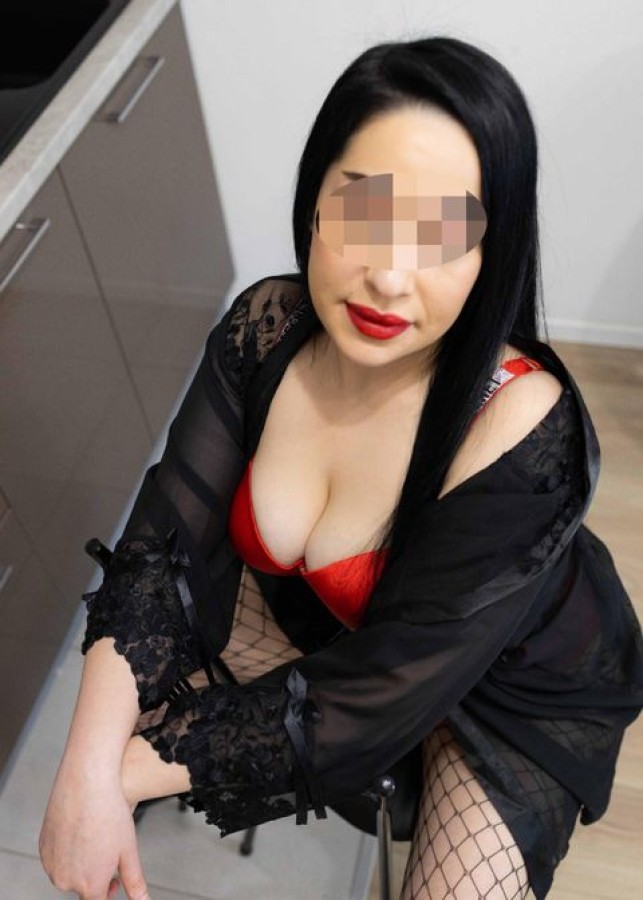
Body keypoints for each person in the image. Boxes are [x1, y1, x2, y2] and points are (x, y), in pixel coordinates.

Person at [40, 35, 642, 900]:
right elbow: (158, 550)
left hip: (508, 685)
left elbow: (376, 697)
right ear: (315, 202)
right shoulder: (266, 329)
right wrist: (82, 768)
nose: (388, 278)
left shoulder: (520, 423)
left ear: (494, 251)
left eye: (443, 236)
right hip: (339, 633)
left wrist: (115, 778)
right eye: (363, 215)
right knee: (135, 678)